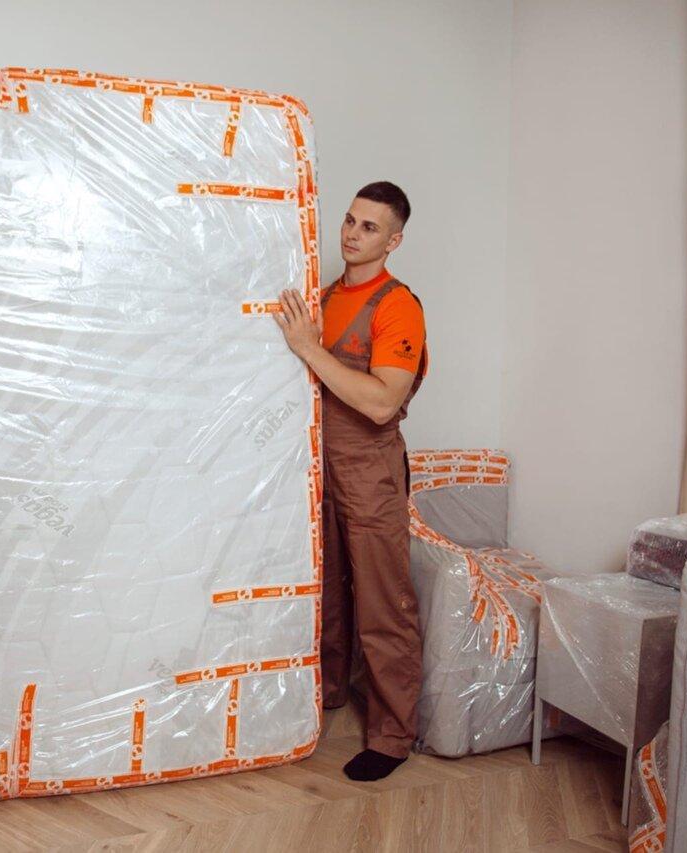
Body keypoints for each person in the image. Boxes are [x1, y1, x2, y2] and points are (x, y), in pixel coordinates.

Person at [273, 181, 429, 781]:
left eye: (369, 227)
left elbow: (381, 403)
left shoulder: (397, 306)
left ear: (394, 240)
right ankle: (329, 692)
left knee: (382, 602)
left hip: (370, 471)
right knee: (329, 593)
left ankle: (392, 736)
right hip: (320, 466)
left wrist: (309, 349)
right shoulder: (324, 297)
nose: (352, 234)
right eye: (349, 220)